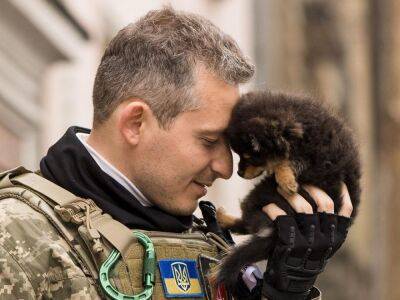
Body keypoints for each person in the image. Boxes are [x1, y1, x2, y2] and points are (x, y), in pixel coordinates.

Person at [0, 7, 353, 300]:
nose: (226, 168)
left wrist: (285, 291)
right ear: (135, 123)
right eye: (209, 140)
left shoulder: (209, 241)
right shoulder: (15, 239)